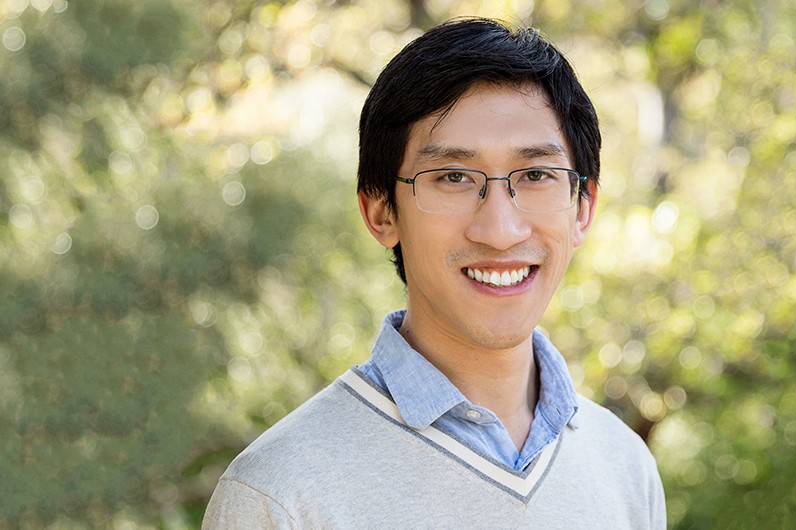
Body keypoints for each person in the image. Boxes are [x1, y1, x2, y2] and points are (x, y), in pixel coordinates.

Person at [204, 17, 666, 529]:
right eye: (453, 177)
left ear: (582, 208)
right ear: (381, 212)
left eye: (536, 175)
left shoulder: (624, 466)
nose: (500, 230)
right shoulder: (280, 493)